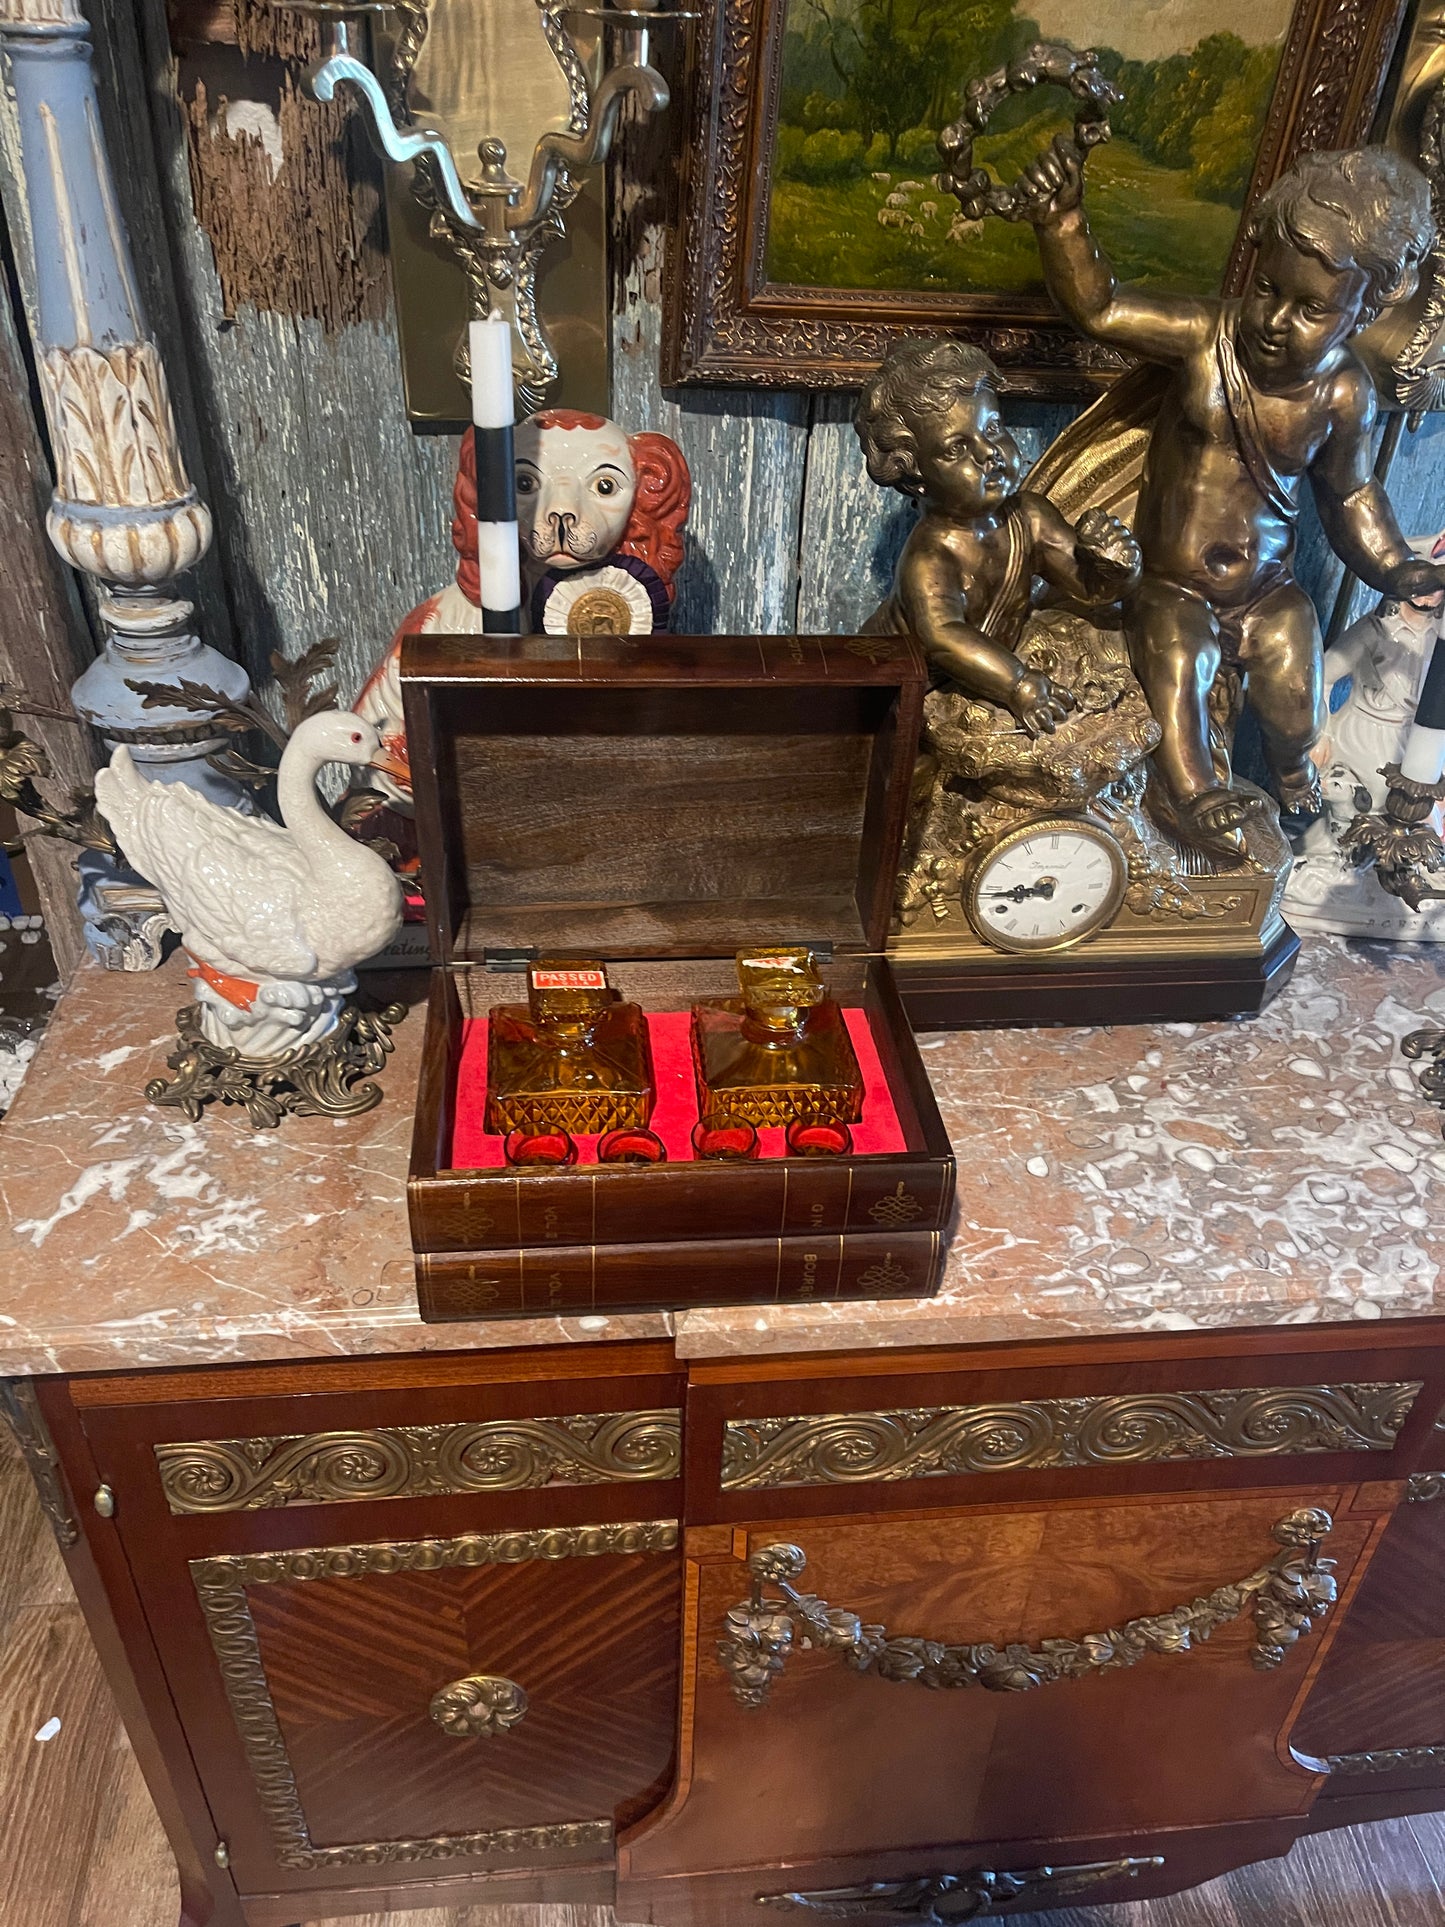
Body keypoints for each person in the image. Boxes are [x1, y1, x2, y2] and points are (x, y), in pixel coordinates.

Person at [1017, 142, 1445, 860]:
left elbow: (1351, 497)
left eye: (1311, 308)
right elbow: (1102, 305)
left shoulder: (1343, 394)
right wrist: (1061, 221)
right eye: (1268, 290)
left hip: (1266, 589)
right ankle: (1190, 789)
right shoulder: (1205, 338)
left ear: (1364, 310)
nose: (1275, 320)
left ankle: (1294, 781)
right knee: (1176, 660)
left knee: (1293, 679)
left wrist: (1396, 566)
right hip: (1169, 582)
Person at [856, 336, 1139, 735]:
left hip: (990, 678)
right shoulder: (931, 557)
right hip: (902, 692)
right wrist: (1019, 684)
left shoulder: (1029, 515)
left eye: (993, 428)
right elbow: (943, 637)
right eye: (956, 449)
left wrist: (1115, 567)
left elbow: (1088, 587)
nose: (988, 453)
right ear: (915, 475)